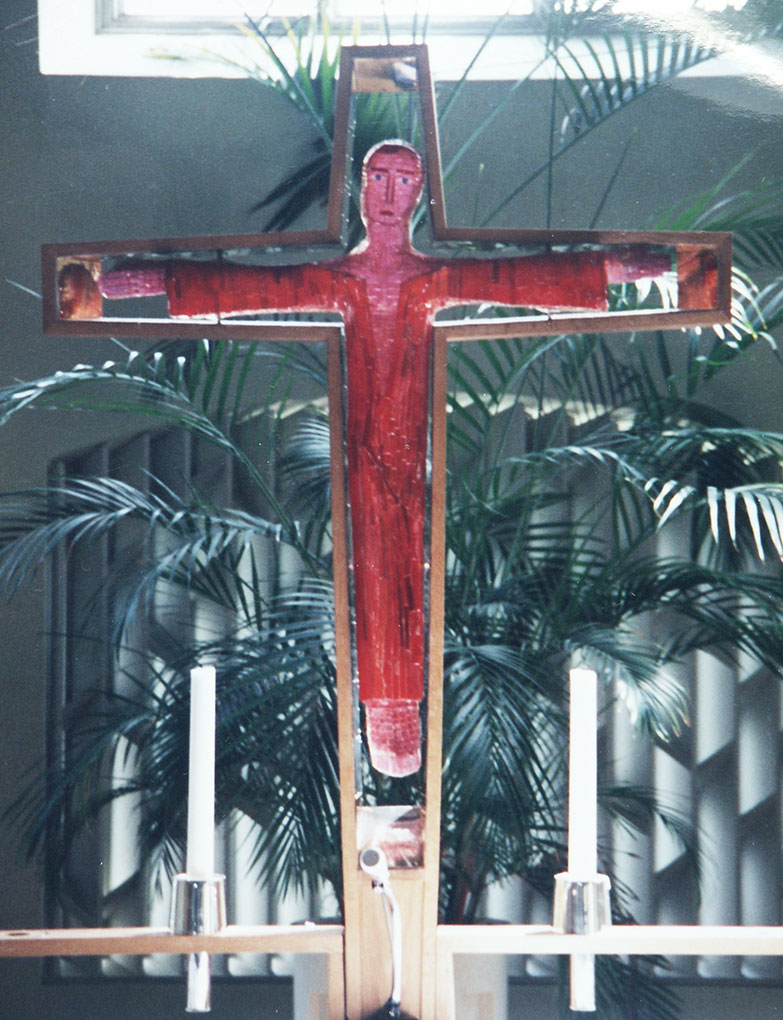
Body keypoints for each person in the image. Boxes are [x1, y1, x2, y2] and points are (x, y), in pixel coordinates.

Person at [58, 141, 671, 777]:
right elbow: (251, 286)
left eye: (402, 179)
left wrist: (620, 270)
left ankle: (395, 705)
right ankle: (386, 704)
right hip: (360, 451)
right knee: (376, 566)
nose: (385, 190)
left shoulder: (436, 278)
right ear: (358, 187)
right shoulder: (337, 279)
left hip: (410, 457)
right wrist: (143, 283)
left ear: (418, 196)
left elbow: (520, 277)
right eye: (376, 176)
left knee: (403, 566)